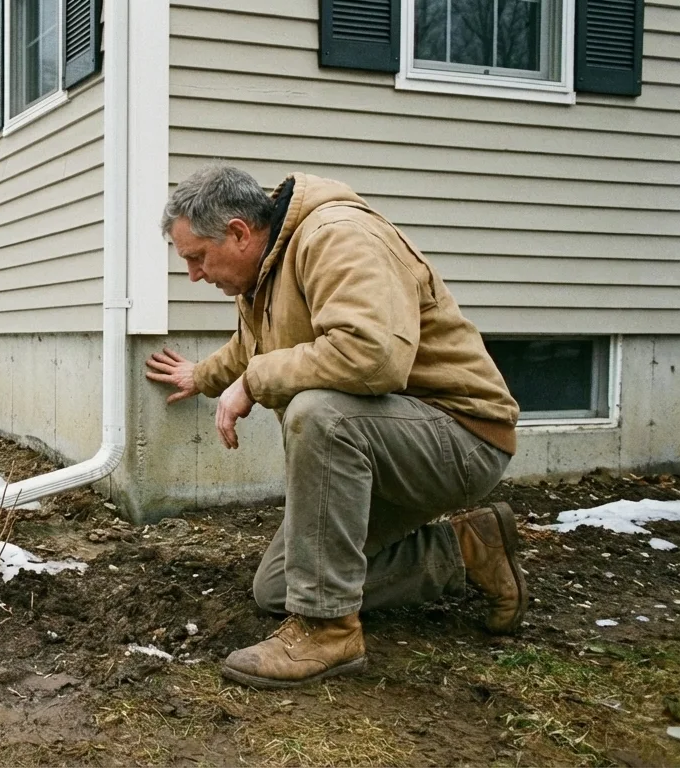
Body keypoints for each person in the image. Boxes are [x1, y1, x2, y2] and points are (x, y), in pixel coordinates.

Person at [145, 164, 528, 690]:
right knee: (282, 588)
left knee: (320, 413)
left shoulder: (337, 237)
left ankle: (330, 631)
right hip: (390, 443)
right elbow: (251, 347)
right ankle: (468, 550)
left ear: (237, 232)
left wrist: (254, 384)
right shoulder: (265, 270)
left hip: (460, 437)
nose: (192, 274)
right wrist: (204, 376)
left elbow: (371, 357)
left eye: (196, 257)